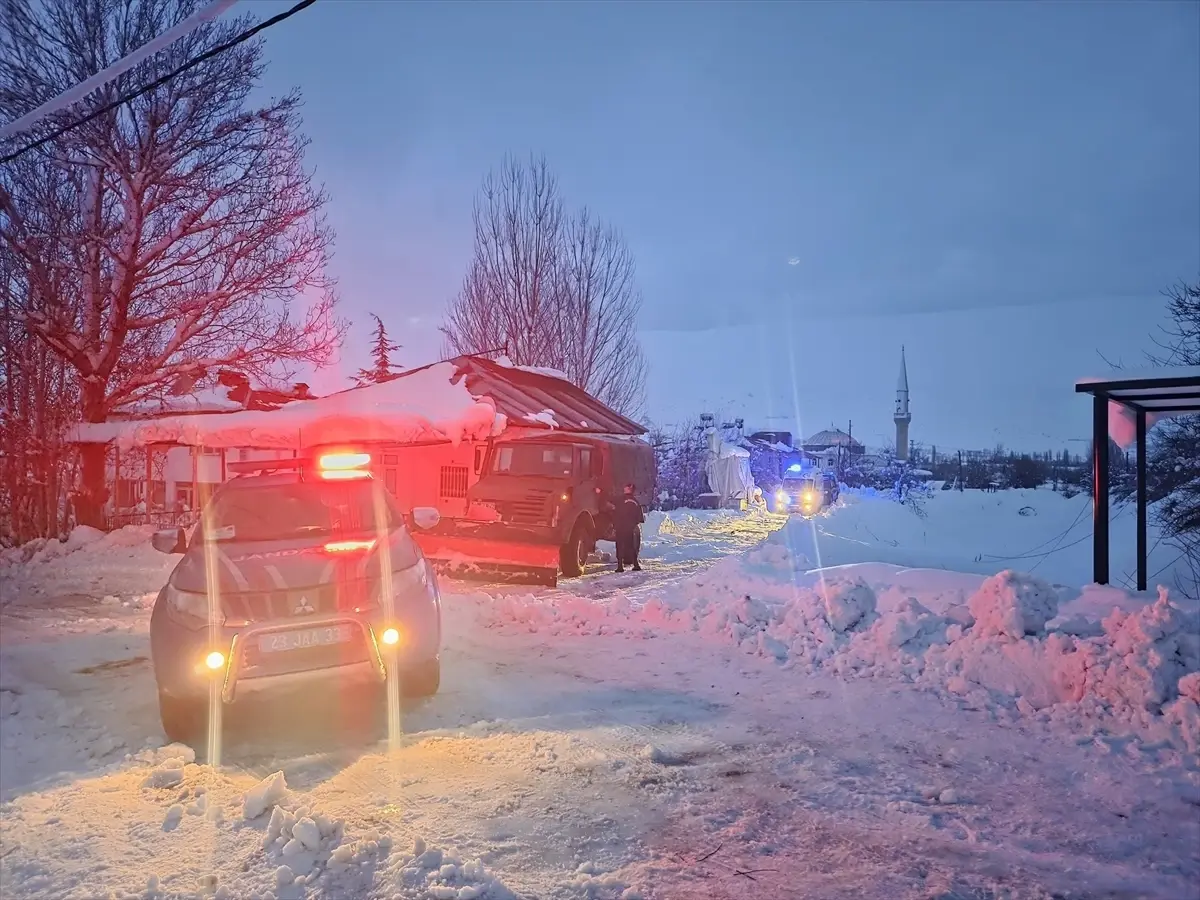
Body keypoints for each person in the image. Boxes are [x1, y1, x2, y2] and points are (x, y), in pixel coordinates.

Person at [614, 483, 644, 572]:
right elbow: (639, 517)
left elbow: (615, 511)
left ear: (630, 489)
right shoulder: (635, 501)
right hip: (630, 527)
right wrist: (633, 524)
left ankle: (620, 566)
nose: (624, 488)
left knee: (619, 546)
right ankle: (636, 564)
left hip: (620, 527)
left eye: (626, 487)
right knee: (631, 546)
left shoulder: (620, 500)